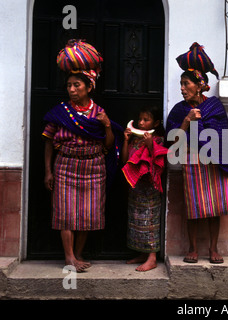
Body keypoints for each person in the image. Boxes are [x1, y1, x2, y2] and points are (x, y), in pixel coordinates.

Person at [43, 40, 122, 272]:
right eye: (69, 85)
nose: (72, 90)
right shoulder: (60, 113)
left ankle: (78, 255)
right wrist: (47, 171)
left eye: (77, 85)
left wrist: (107, 126)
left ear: (89, 87)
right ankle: (69, 258)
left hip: (93, 166)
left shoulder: (98, 113)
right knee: (66, 212)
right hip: (66, 165)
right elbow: (48, 141)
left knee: (88, 213)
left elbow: (108, 144)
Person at [166, 43, 228, 264]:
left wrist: (219, 156)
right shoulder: (179, 110)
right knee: (193, 206)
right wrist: (187, 121)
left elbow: (223, 134)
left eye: (186, 84)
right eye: (181, 84)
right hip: (191, 160)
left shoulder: (214, 106)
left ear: (199, 86)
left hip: (214, 161)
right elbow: (172, 142)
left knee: (214, 207)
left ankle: (213, 249)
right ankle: (193, 248)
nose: (182, 88)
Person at [121, 106, 168, 271]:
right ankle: (142, 253)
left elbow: (159, 161)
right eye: (139, 119)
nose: (141, 123)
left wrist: (150, 145)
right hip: (135, 188)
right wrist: (126, 140)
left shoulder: (159, 140)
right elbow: (125, 160)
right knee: (136, 222)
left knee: (150, 222)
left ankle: (152, 258)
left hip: (150, 188)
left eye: (145, 120)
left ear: (155, 122)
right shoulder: (134, 139)